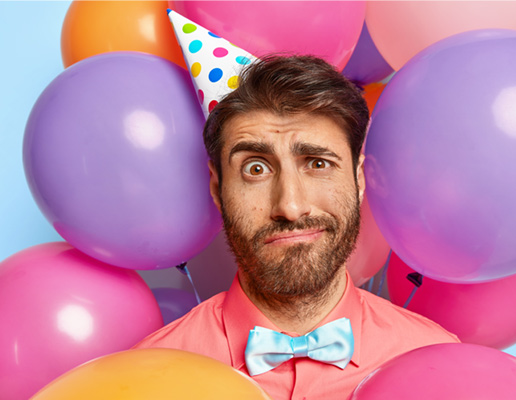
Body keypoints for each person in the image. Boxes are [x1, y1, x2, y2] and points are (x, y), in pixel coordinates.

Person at [133, 55, 459, 399]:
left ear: (359, 178)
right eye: (255, 169)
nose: (289, 207)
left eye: (318, 163)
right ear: (217, 189)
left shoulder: (441, 365)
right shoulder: (144, 380)